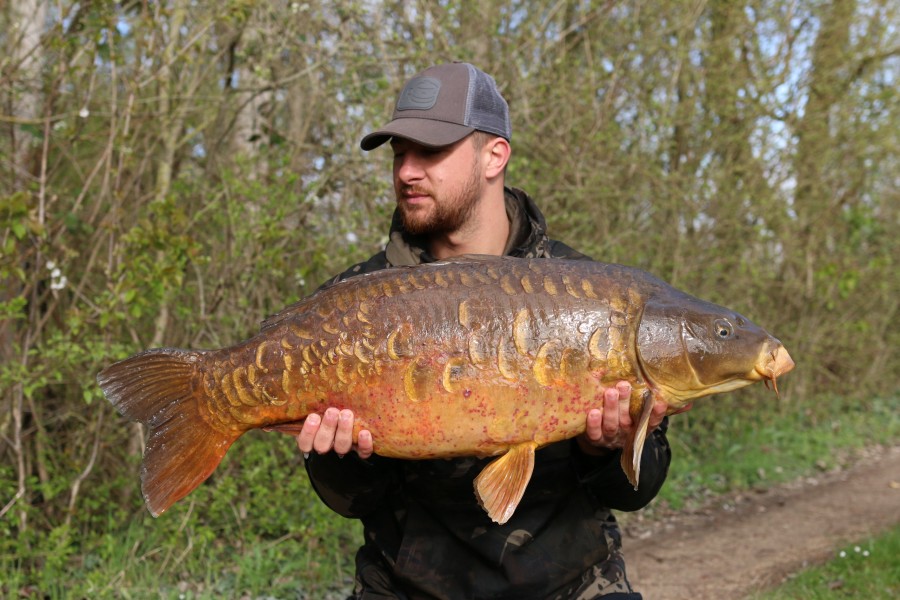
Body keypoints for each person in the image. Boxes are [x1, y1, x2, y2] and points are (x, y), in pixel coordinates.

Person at [296, 62, 682, 600]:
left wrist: (605, 451)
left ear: (494, 156)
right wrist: (340, 460)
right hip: (405, 588)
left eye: (429, 151)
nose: (407, 171)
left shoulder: (589, 294)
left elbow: (640, 491)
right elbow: (353, 502)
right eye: (398, 153)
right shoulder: (356, 303)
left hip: (572, 585)